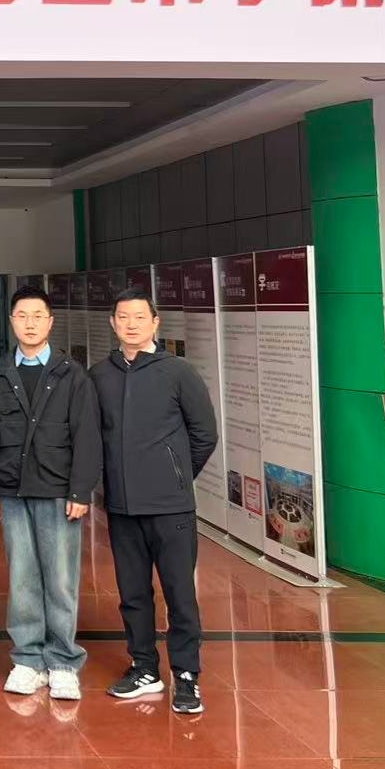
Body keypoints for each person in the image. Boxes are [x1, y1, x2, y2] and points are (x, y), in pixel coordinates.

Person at [88, 287, 219, 715]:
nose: (131, 324)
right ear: (113, 323)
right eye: (123, 317)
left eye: (140, 317)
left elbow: (204, 434)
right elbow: (92, 436)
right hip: (123, 507)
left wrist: (175, 476)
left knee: (179, 593)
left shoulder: (178, 372)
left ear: (155, 322)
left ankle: (187, 675)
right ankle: (144, 667)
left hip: (171, 507)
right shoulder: (99, 375)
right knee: (132, 593)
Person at [0, 285, 101, 699]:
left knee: (61, 578)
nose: (30, 324)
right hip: (13, 489)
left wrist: (81, 491)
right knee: (22, 578)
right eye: (22, 316)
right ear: (11, 321)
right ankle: (28, 660)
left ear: (50, 322)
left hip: (57, 490)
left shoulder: (72, 374)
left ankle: (64, 661)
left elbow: (87, 436)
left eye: (37, 316)